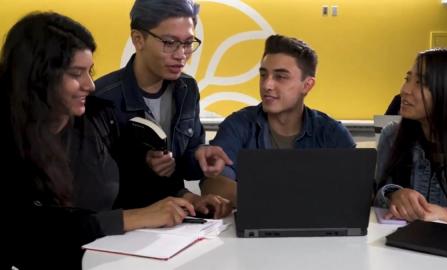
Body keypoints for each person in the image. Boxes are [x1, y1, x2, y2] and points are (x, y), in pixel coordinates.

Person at [1, 12, 209, 269]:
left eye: (90, 71)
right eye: (76, 74)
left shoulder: (100, 118)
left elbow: (136, 182)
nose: (89, 85)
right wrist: (129, 219)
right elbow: (34, 230)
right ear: (38, 77)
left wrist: (187, 197)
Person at [95, 0, 232, 218]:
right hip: (121, 226)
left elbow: (185, 167)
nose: (181, 55)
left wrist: (199, 156)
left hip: (172, 222)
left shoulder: (187, 89)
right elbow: (93, 189)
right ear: (138, 40)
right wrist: (142, 166)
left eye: (188, 43)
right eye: (169, 43)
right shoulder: (102, 97)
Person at [201, 34, 356, 205]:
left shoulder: (332, 133)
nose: (267, 85)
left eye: (280, 76)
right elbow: (214, 183)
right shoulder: (238, 125)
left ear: (307, 85)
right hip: (255, 227)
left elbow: (360, 191)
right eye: (263, 75)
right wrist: (281, 203)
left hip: (316, 229)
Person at [375, 48, 447, 232]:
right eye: (407, 79)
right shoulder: (391, 137)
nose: (405, 91)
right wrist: (393, 194)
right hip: (402, 254)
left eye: (421, 83)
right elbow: (373, 199)